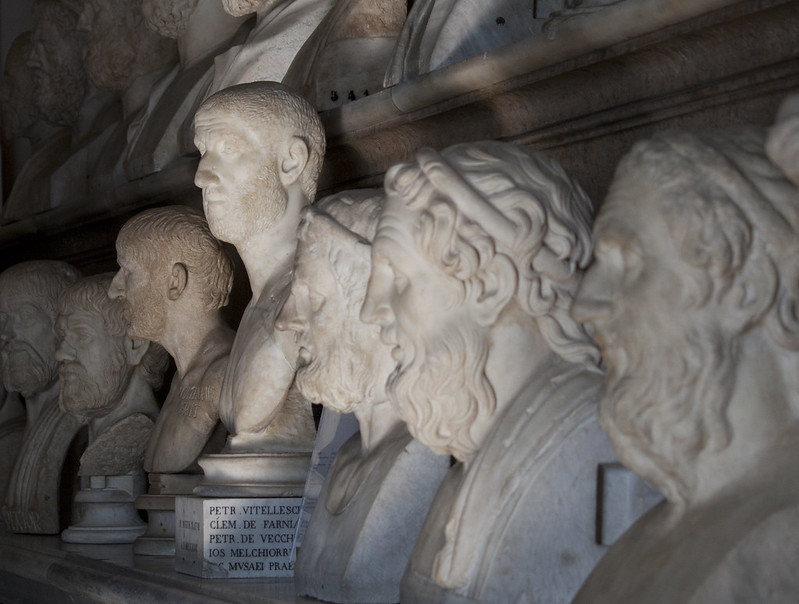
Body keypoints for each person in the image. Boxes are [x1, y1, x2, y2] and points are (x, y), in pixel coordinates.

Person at [361, 140, 617, 603]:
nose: (368, 310)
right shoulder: (479, 454)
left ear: (491, 285)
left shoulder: (585, 445)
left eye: (397, 278)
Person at [572, 126, 799, 603]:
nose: (584, 304)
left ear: (744, 289)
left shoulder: (778, 534)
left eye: (626, 262)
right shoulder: (659, 532)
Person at [276, 191, 448, 603]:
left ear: (378, 307)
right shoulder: (350, 454)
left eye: (313, 299)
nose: (286, 320)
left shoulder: (424, 457)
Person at [192, 82, 322, 469]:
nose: (201, 176)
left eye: (227, 150)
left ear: (291, 162)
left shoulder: (310, 294)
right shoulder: (259, 302)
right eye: (202, 152)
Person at [109, 206, 234, 473]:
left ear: (175, 281)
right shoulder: (182, 378)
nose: (114, 290)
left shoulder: (226, 374)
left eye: (127, 272)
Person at [57, 273, 168, 477]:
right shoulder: (93, 439)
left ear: (135, 345)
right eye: (63, 337)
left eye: (82, 336)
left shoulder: (145, 438)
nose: (61, 353)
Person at [0, 260, 82, 533]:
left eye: (24, 316)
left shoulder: (80, 426)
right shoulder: (24, 432)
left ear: (62, 327)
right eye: (2, 319)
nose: (6, 334)